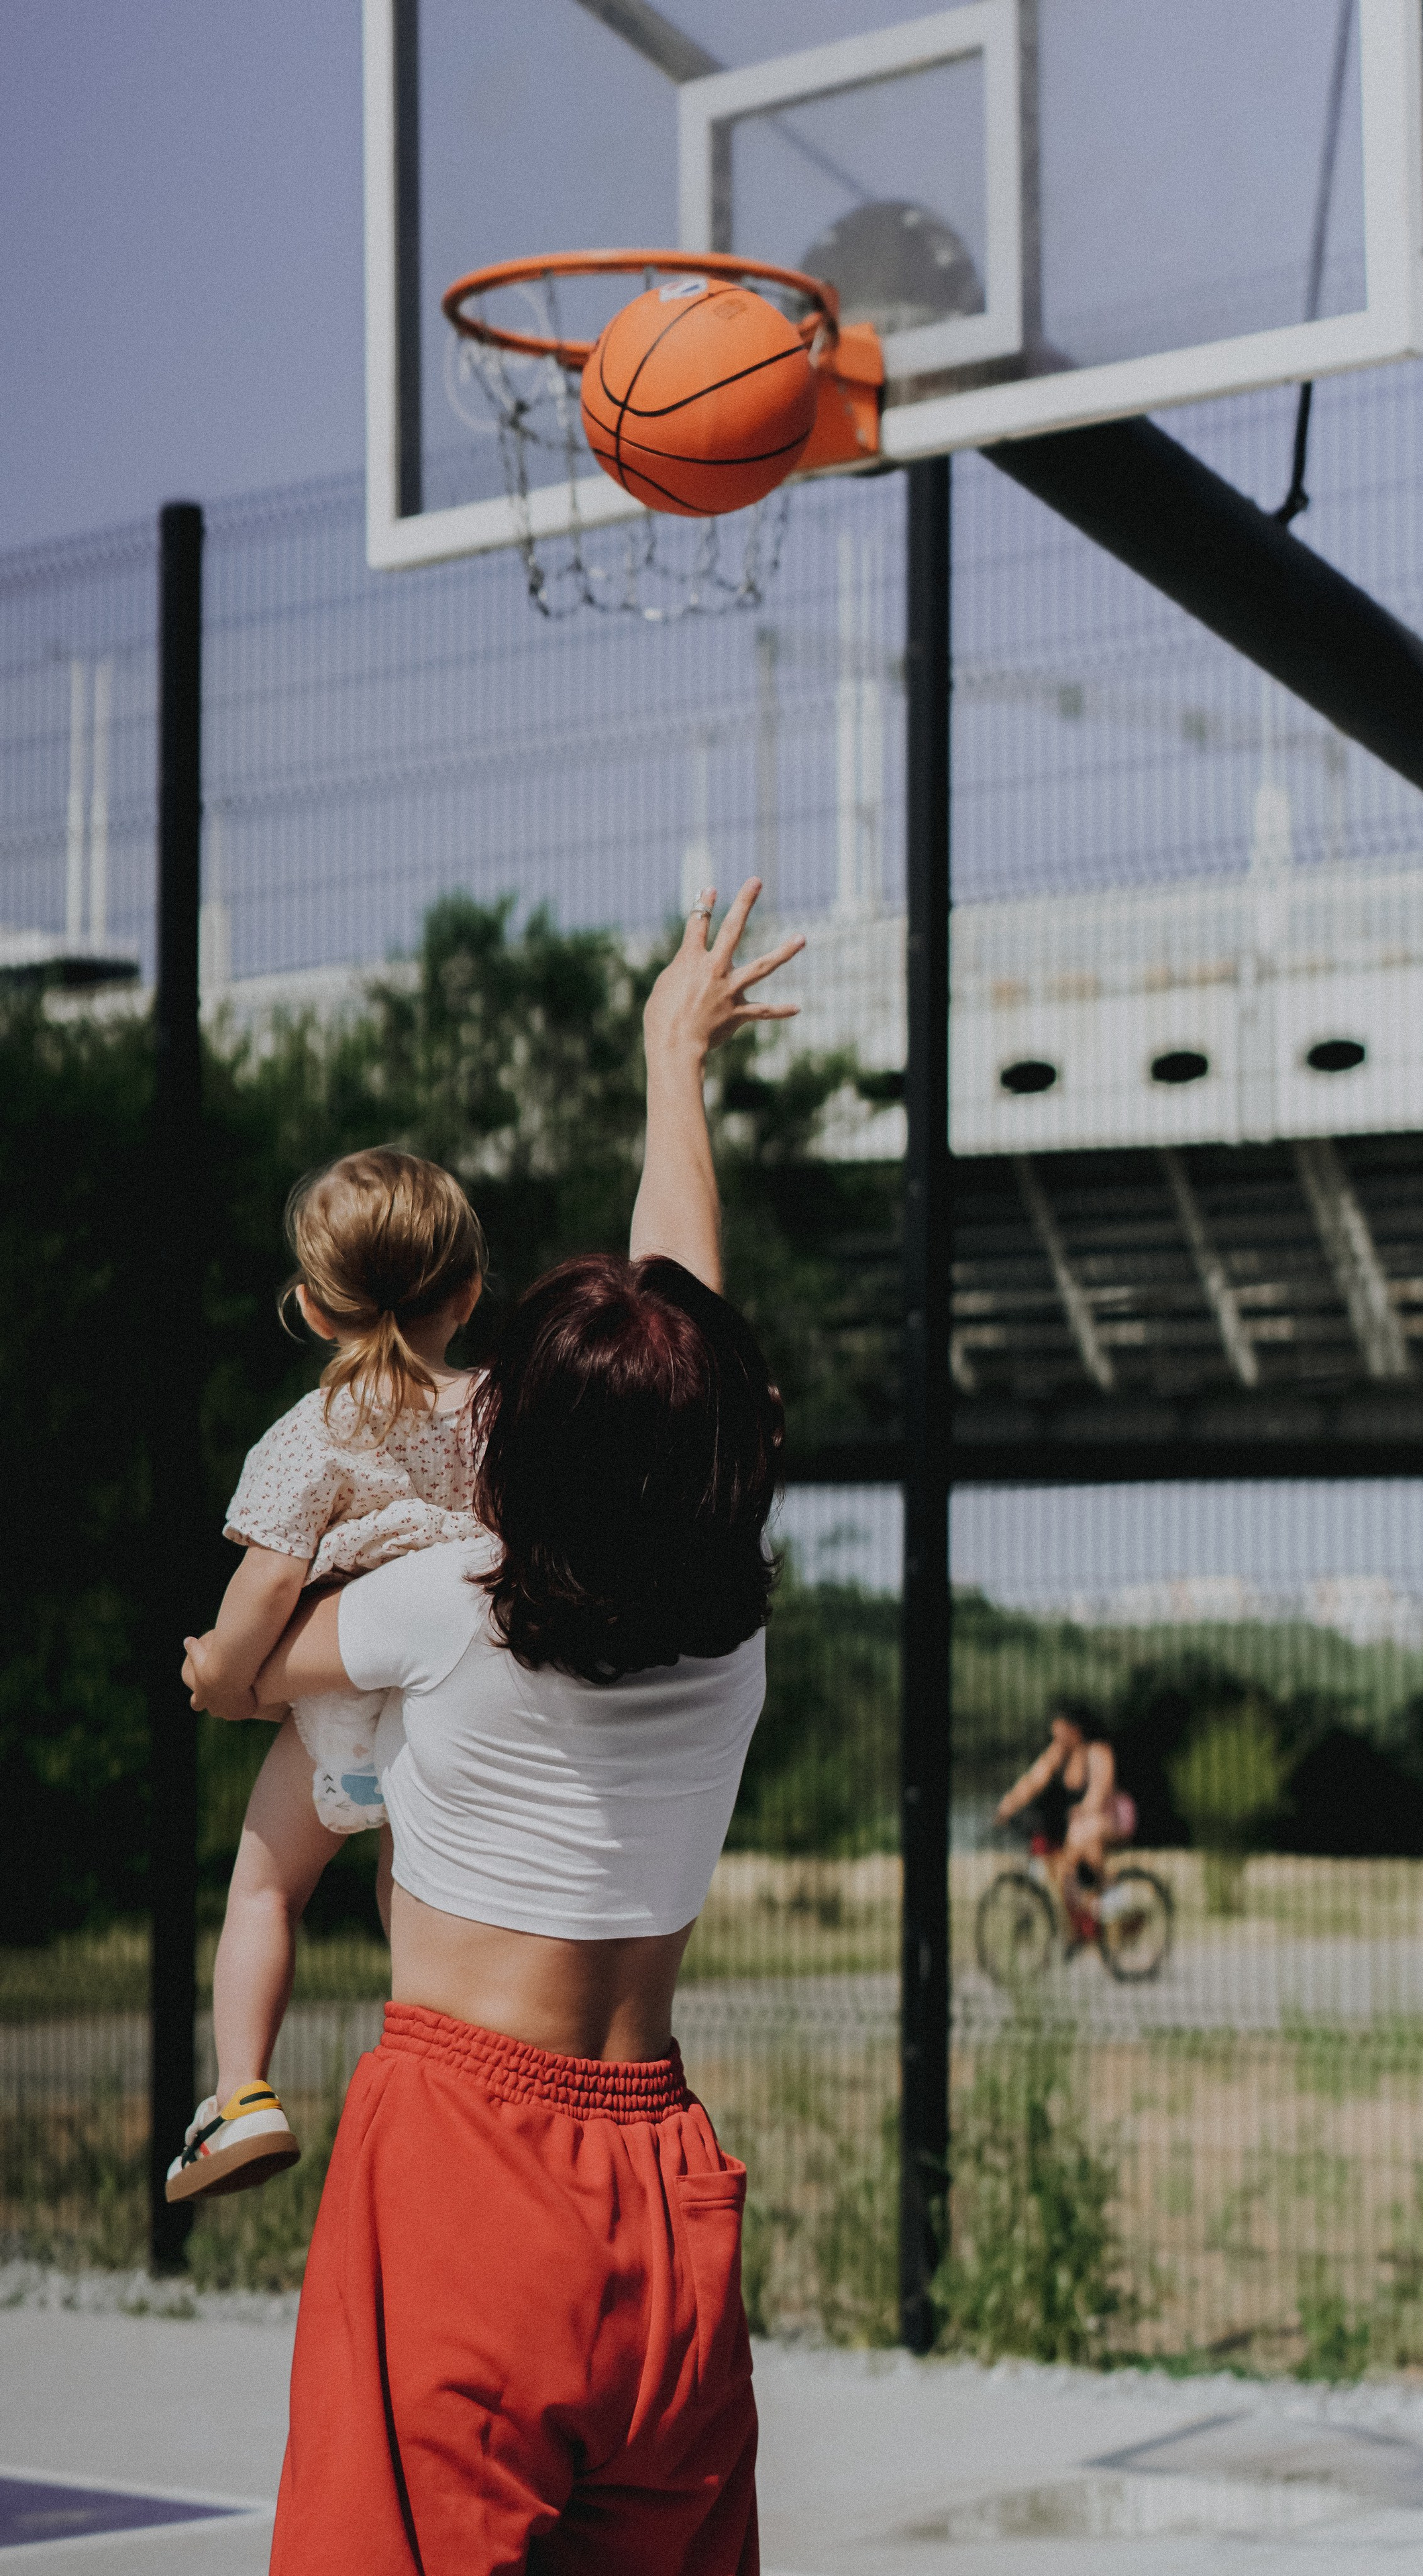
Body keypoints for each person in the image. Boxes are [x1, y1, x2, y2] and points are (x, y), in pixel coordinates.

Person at [185, 879, 800, 2576]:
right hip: (666, 2190)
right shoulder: (728, 1621)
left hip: (466, 2156)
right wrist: (675, 1060)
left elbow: (243, 1672)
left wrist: (224, 1657)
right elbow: (681, 1323)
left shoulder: (434, 1605)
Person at [167, 1146, 487, 2202]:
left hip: (334, 1704)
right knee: (415, 1898)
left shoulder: (318, 1431)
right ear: (470, 1289)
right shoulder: (506, 1414)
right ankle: (443, 2093)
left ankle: (240, 2099)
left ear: (312, 1309)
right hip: (452, 1699)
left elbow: (269, 1583)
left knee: (266, 1888)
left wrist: (223, 1672)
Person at [994, 1697, 1137, 1902]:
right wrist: (1008, 1804)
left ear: (1075, 1730)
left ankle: (1115, 1896)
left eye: (1060, 1731)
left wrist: (1085, 1808)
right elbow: (1033, 1780)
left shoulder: (1097, 1750)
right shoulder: (1059, 1752)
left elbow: (1100, 1789)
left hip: (1112, 1816)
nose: (1055, 1737)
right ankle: (1081, 1917)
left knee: (1080, 1839)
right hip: (1080, 1822)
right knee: (1073, 1852)